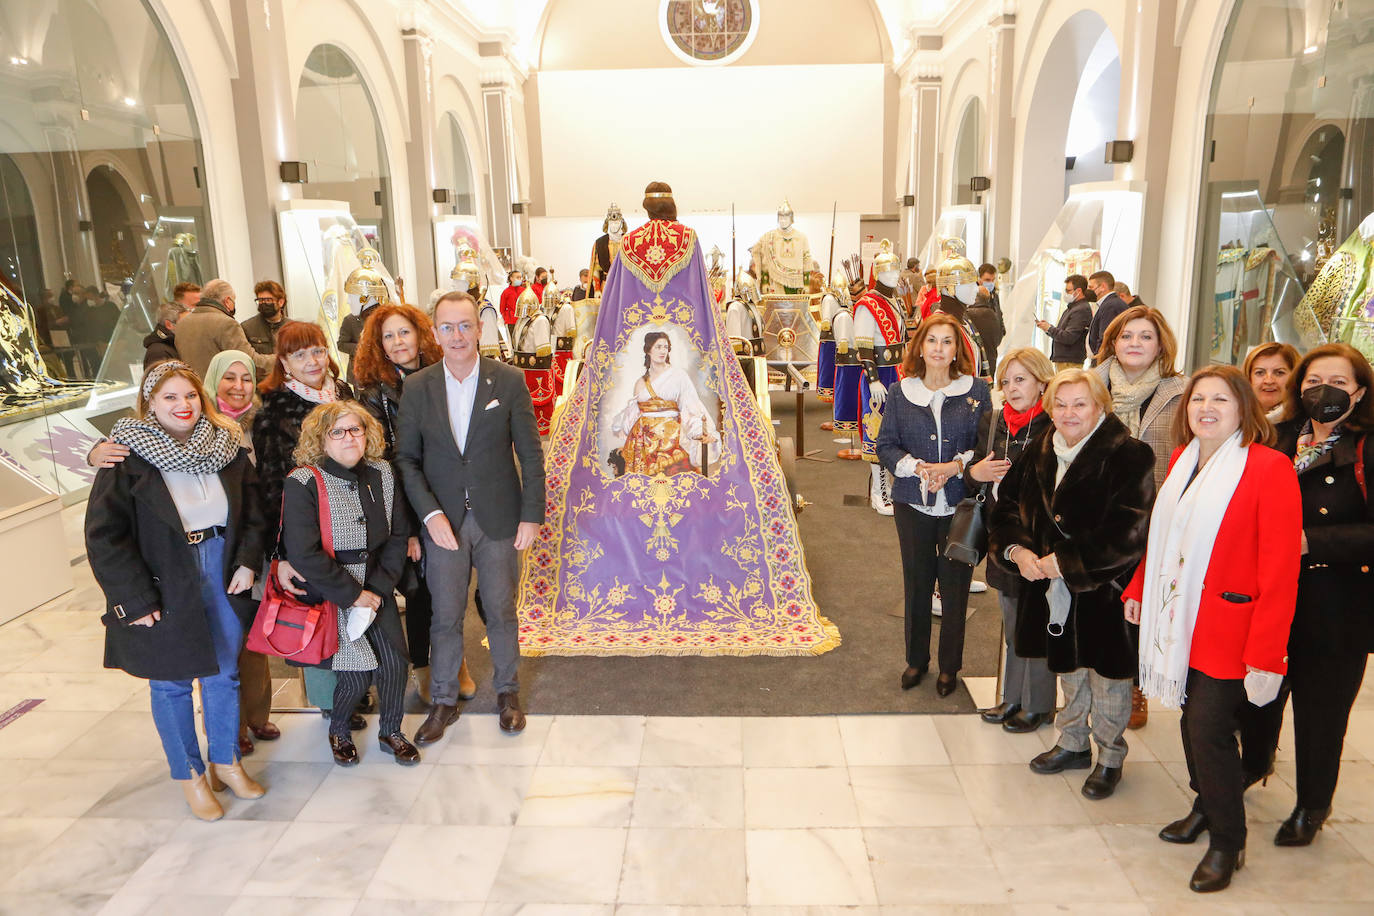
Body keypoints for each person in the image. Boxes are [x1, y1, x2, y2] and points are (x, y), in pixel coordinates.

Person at [1124, 365, 1300, 892]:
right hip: (1181, 624)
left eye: (1220, 399)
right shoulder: (1181, 461)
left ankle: (1228, 839)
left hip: (1232, 629)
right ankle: (1206, 805)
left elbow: (1280, 569)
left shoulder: (1269, 468)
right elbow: (1164, 538)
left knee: (1208, 730)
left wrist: (1267, 655)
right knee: (1187, 721)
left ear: (1243, 408)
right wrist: (1138, 590)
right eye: (1198, 398)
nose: (1206, 407)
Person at [84, 360, 265, 821]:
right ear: (150, 404)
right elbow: (105, 535)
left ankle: (225, 761)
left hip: (222, 566)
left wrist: (246, 561)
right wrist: (135, 599)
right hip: (165, 575)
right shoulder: (125, 456)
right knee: (172, 683)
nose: (182, 406)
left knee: (225, 672)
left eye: (189, 396)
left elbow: (253, 511)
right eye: (169, 397)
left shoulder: (225, 446)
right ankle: (190, 775)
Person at [989, 368, 1155, 800]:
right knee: (1068, 670)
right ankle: (1072, 742)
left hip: (1103, 589)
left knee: (1108, 679)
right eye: (1060, 404)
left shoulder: (1130, 455)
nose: (1069, 413)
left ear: (1100, 406)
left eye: (1080, 403)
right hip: (1049, 587)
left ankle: (1110, 757)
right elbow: (1007, 508)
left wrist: (1062, 563)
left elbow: (1129, 532)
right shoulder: (1040, 448)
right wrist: (1018, 552)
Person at [394, 291, 545, 741]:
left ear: (480, 329)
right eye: (447, 327)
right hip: (443, 525)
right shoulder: (417, 387)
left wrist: (531, 514)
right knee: (445, 615)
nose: (457, 335)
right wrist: (430, 514)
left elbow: (531, 455)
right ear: (435, 334)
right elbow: (406, 459)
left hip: (500, 517)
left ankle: (508, 693)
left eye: (465, 325)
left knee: (500, 610)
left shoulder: (509, 380)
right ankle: (442, 702)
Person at [1267, 343, 1374, 847]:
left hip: (1338, 604)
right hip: (1269, 598)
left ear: (1359, 391)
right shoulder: (1276, 437)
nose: (1323, 391)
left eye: (1337, 381)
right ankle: (1249, 768)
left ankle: (1312, 804)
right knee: (1257, 699)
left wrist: (1313, 540)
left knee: (1320, 713)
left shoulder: (1367, 446)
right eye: (1312, 382)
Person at [282, 402, 419, 766]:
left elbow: (397, 534)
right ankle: (339, 730)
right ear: (321, 439)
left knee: (395, 666)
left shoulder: (383, 473)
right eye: (337, 432)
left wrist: (377, 588)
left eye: (356, 429)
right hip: (335, 591)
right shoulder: (303, 481)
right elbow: (304, 553)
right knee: (356, 675)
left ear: (367, 433)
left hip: (377, 584)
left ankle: (391, 731)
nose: (349, 438)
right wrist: (354, 595)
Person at [353, 302, 477, 702]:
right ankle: (424, 667)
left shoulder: (447, 375)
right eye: (387, 336)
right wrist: (405, 526)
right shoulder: (372, 394)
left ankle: (455, 662)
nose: (397, 342)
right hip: (403, 503)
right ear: (379, 345)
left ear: (420, 334)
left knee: (452, 587)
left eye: (403, 332)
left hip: (449, 495)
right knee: (421, 590)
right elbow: (384, 463)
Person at [876, 314, 992, 697]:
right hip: (913, 504)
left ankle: (949, 667)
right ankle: (916, 660)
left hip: (960, 505)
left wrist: (955, 466)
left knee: (955, 586)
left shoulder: (976, 390)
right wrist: (917, 468)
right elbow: (886, 446)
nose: (939, 349)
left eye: (947, 341)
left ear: (957, 349)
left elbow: (984, 442)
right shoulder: (899, 392)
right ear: (920, 347)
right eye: (932, 341)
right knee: (917, 582)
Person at [252, 321, 361, 725]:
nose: (311, 361)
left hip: (351, 520)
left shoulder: (343, 393)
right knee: (315, 612)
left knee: (350, 604)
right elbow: (270, 486)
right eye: (299, 355)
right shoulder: (274, 408)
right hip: (306, 529)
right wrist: (279, 553)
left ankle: (353, 688)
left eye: (316, 350)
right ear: (283, 362)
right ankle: (330, 704)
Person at [1093, 304, 1188, 728]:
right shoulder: (1090, 386)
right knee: (1094, 598)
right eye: (1127, 335)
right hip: (1094, 511)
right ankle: (1090, 678)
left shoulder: (1179, 392)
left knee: (1136, 602)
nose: (1135, 343)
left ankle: (1133, 685)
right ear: (1113, 341)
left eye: (1145, 336)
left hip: (1151, 515)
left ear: (1160, 345)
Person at [968, 347, 1057, 733]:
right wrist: (978, 472)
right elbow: (973, 473)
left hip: (1040, 539)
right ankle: (1012, 696)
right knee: (1011, 618)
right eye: (1005, 381)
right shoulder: (992, 421)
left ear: (1041, 381)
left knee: (1036, 621)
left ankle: (1039, 704)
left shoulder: (1055, 422)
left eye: (1020, 379)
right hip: (1001, 535)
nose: (1011, 388)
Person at [611, 332, 718, 476]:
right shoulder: (640, 383)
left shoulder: (679, 376)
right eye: (658, 347)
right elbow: (632, 417)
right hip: (643, 441)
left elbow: (690, 407)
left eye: (665, 347)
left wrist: (698, 431)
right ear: (648, 350)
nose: (662, 351)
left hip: (671, 439)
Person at [175, 279, 276, 379]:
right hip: (220, 392)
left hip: (195, 391)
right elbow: (250, 363)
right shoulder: (226, 324)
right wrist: (280, 359)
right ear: (227, 301)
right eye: (233, 300)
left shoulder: (182, 324)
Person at [1035, 274, 1092, 371]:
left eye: (1068, 291)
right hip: (1064, 360)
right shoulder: (1072, 308)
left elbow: (1069, 337)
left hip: (1070, 361)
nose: (1065, 293)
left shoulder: (1081, 310)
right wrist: (1048, 328)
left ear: (1078, 291)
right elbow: (1063, 332)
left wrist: (1050, 328)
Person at [1242, 341, 1300, 420]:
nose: (1269, 381)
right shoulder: (1234, 420)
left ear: (1294, 377)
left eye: (1279, 373)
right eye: (1260, 373)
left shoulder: (1308, 425)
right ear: (1248, 378)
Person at [1086, 270, 1128, 359]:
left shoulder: (1111, 306)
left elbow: (1105, 338)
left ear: (1103, 287)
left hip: (1104, 361)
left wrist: (1098, 361)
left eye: (1091, 287)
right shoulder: (1109, 303)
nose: (1088, 291)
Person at [242, 281, 288, 356]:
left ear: (281, 302)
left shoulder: (293, 327)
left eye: (268, 300)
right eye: (260, 300)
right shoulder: (247, 328)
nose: (263, 304)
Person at [143, 300, 187, 368]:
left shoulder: (172, 344)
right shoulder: (158, 353)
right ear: (169, 325)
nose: (189, 326)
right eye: (185, 323)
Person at [499, 270, 523, 337]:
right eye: (517, 277)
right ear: (511, 278)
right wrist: (507, 317)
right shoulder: (506, 292)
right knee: (513, 341)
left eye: (520, 277)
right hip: (511, 321)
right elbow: (502, 309)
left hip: (522, 320)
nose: (519, 279)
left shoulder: (524, 291)